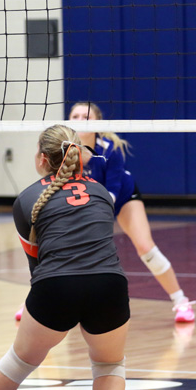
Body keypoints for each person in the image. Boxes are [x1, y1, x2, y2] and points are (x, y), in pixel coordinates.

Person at [0, 125, 129, 390]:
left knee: (17, 363)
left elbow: (36, 265)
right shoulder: (100, 191)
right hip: (109, 285)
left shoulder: (27, 199)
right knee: (110, 366)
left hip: (56, 285)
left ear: (42, 158)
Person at [70, 102, 194, 323]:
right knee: (61, 248)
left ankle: (181, 301)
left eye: (86, 117)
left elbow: (113, 190)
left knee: (146, 248)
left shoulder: (110, 150)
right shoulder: (66, 152)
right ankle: (37, 303)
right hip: (90, 203)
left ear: (99, 123)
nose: (80, 121)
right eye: (75, 116)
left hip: (123, 197)